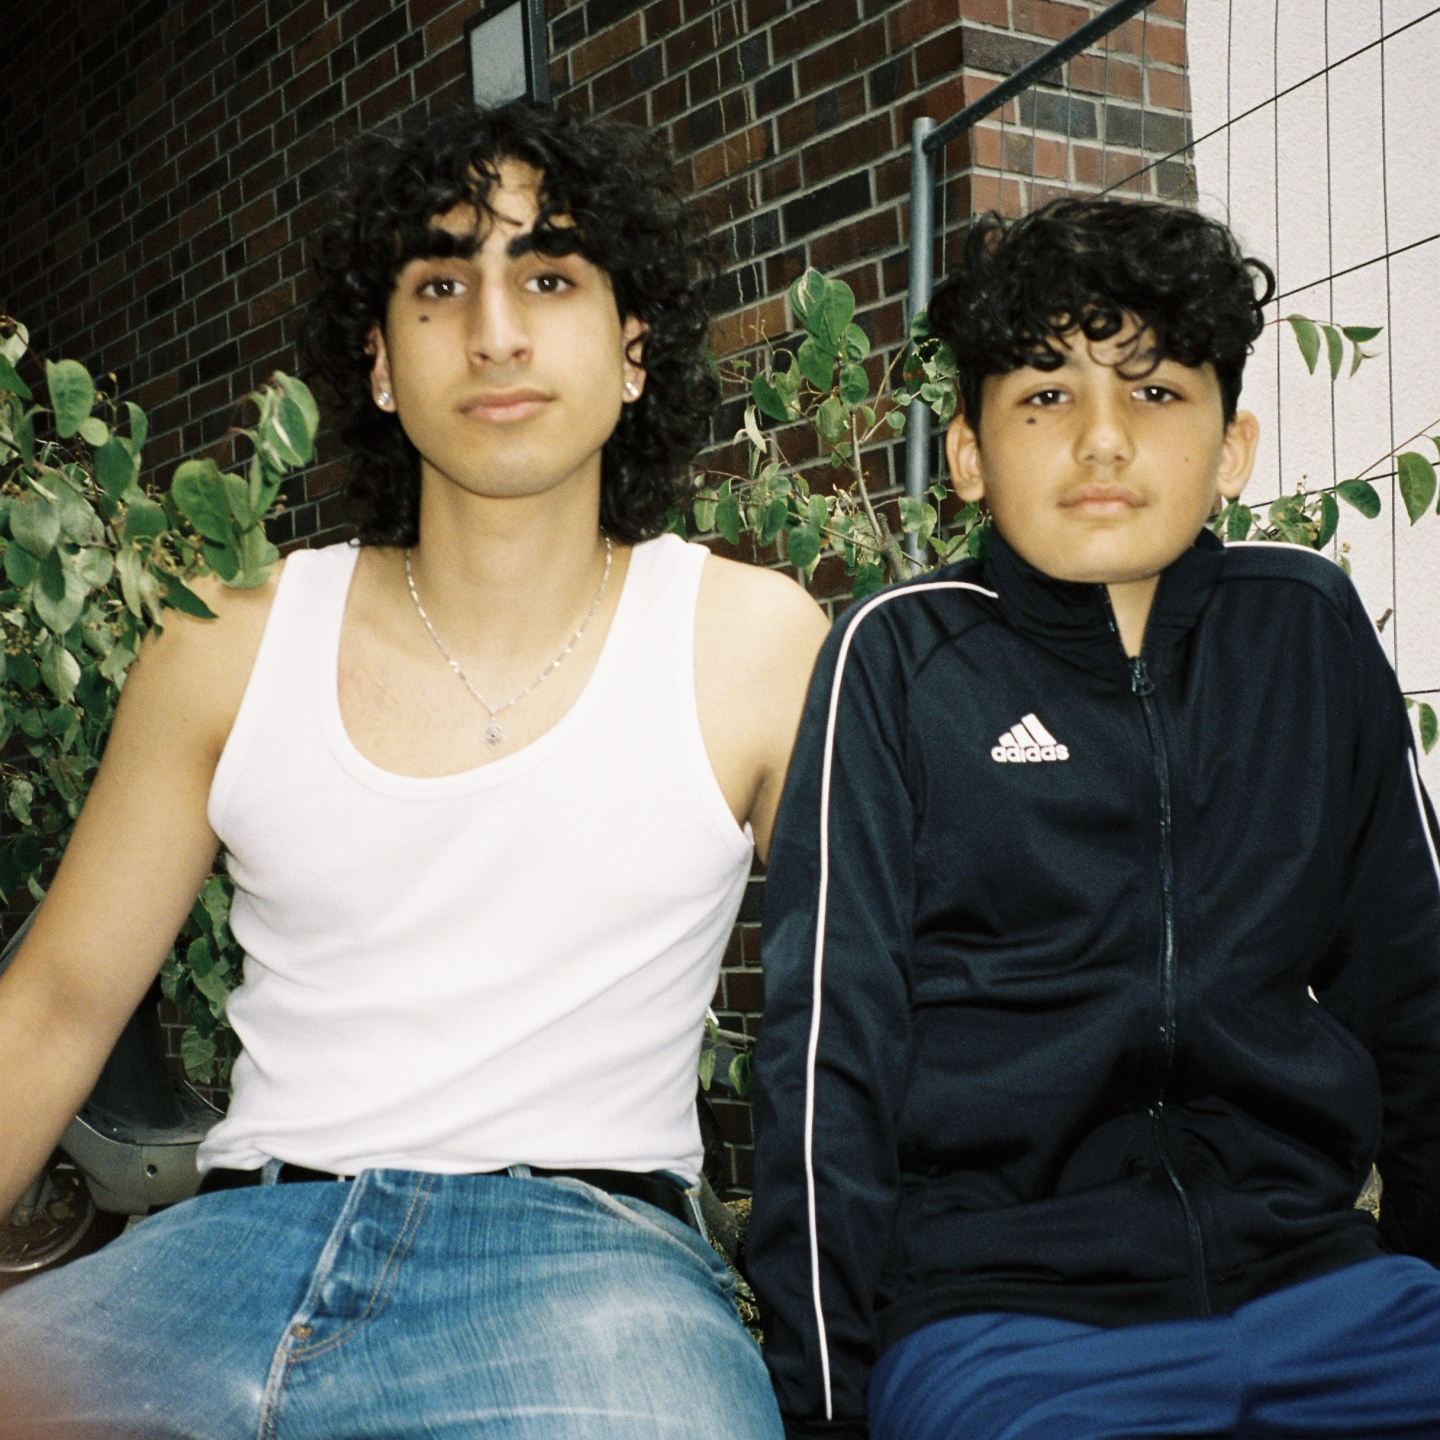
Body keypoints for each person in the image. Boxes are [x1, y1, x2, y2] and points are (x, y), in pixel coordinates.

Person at [0, 101, 827, 1438]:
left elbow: (882, 1012)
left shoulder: (751, 643)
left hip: (595, 1275)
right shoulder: (227, 646)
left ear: (634, 350)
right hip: (227, 1253)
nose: (494, 332)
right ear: (380, 363)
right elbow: (51, 1011)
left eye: (548, 278)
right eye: (441, 285)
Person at [747, 197, 1440, 1439]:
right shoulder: (900, 662)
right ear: (969, 453)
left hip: (1323, 1289)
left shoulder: (1305, 628)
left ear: (1234, 448)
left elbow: (1416, 990)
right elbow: (825, 1065)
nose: (1105, 440)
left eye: (1157, 392)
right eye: (1047, 396)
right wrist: (828, 1408)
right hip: (1001, 1317)